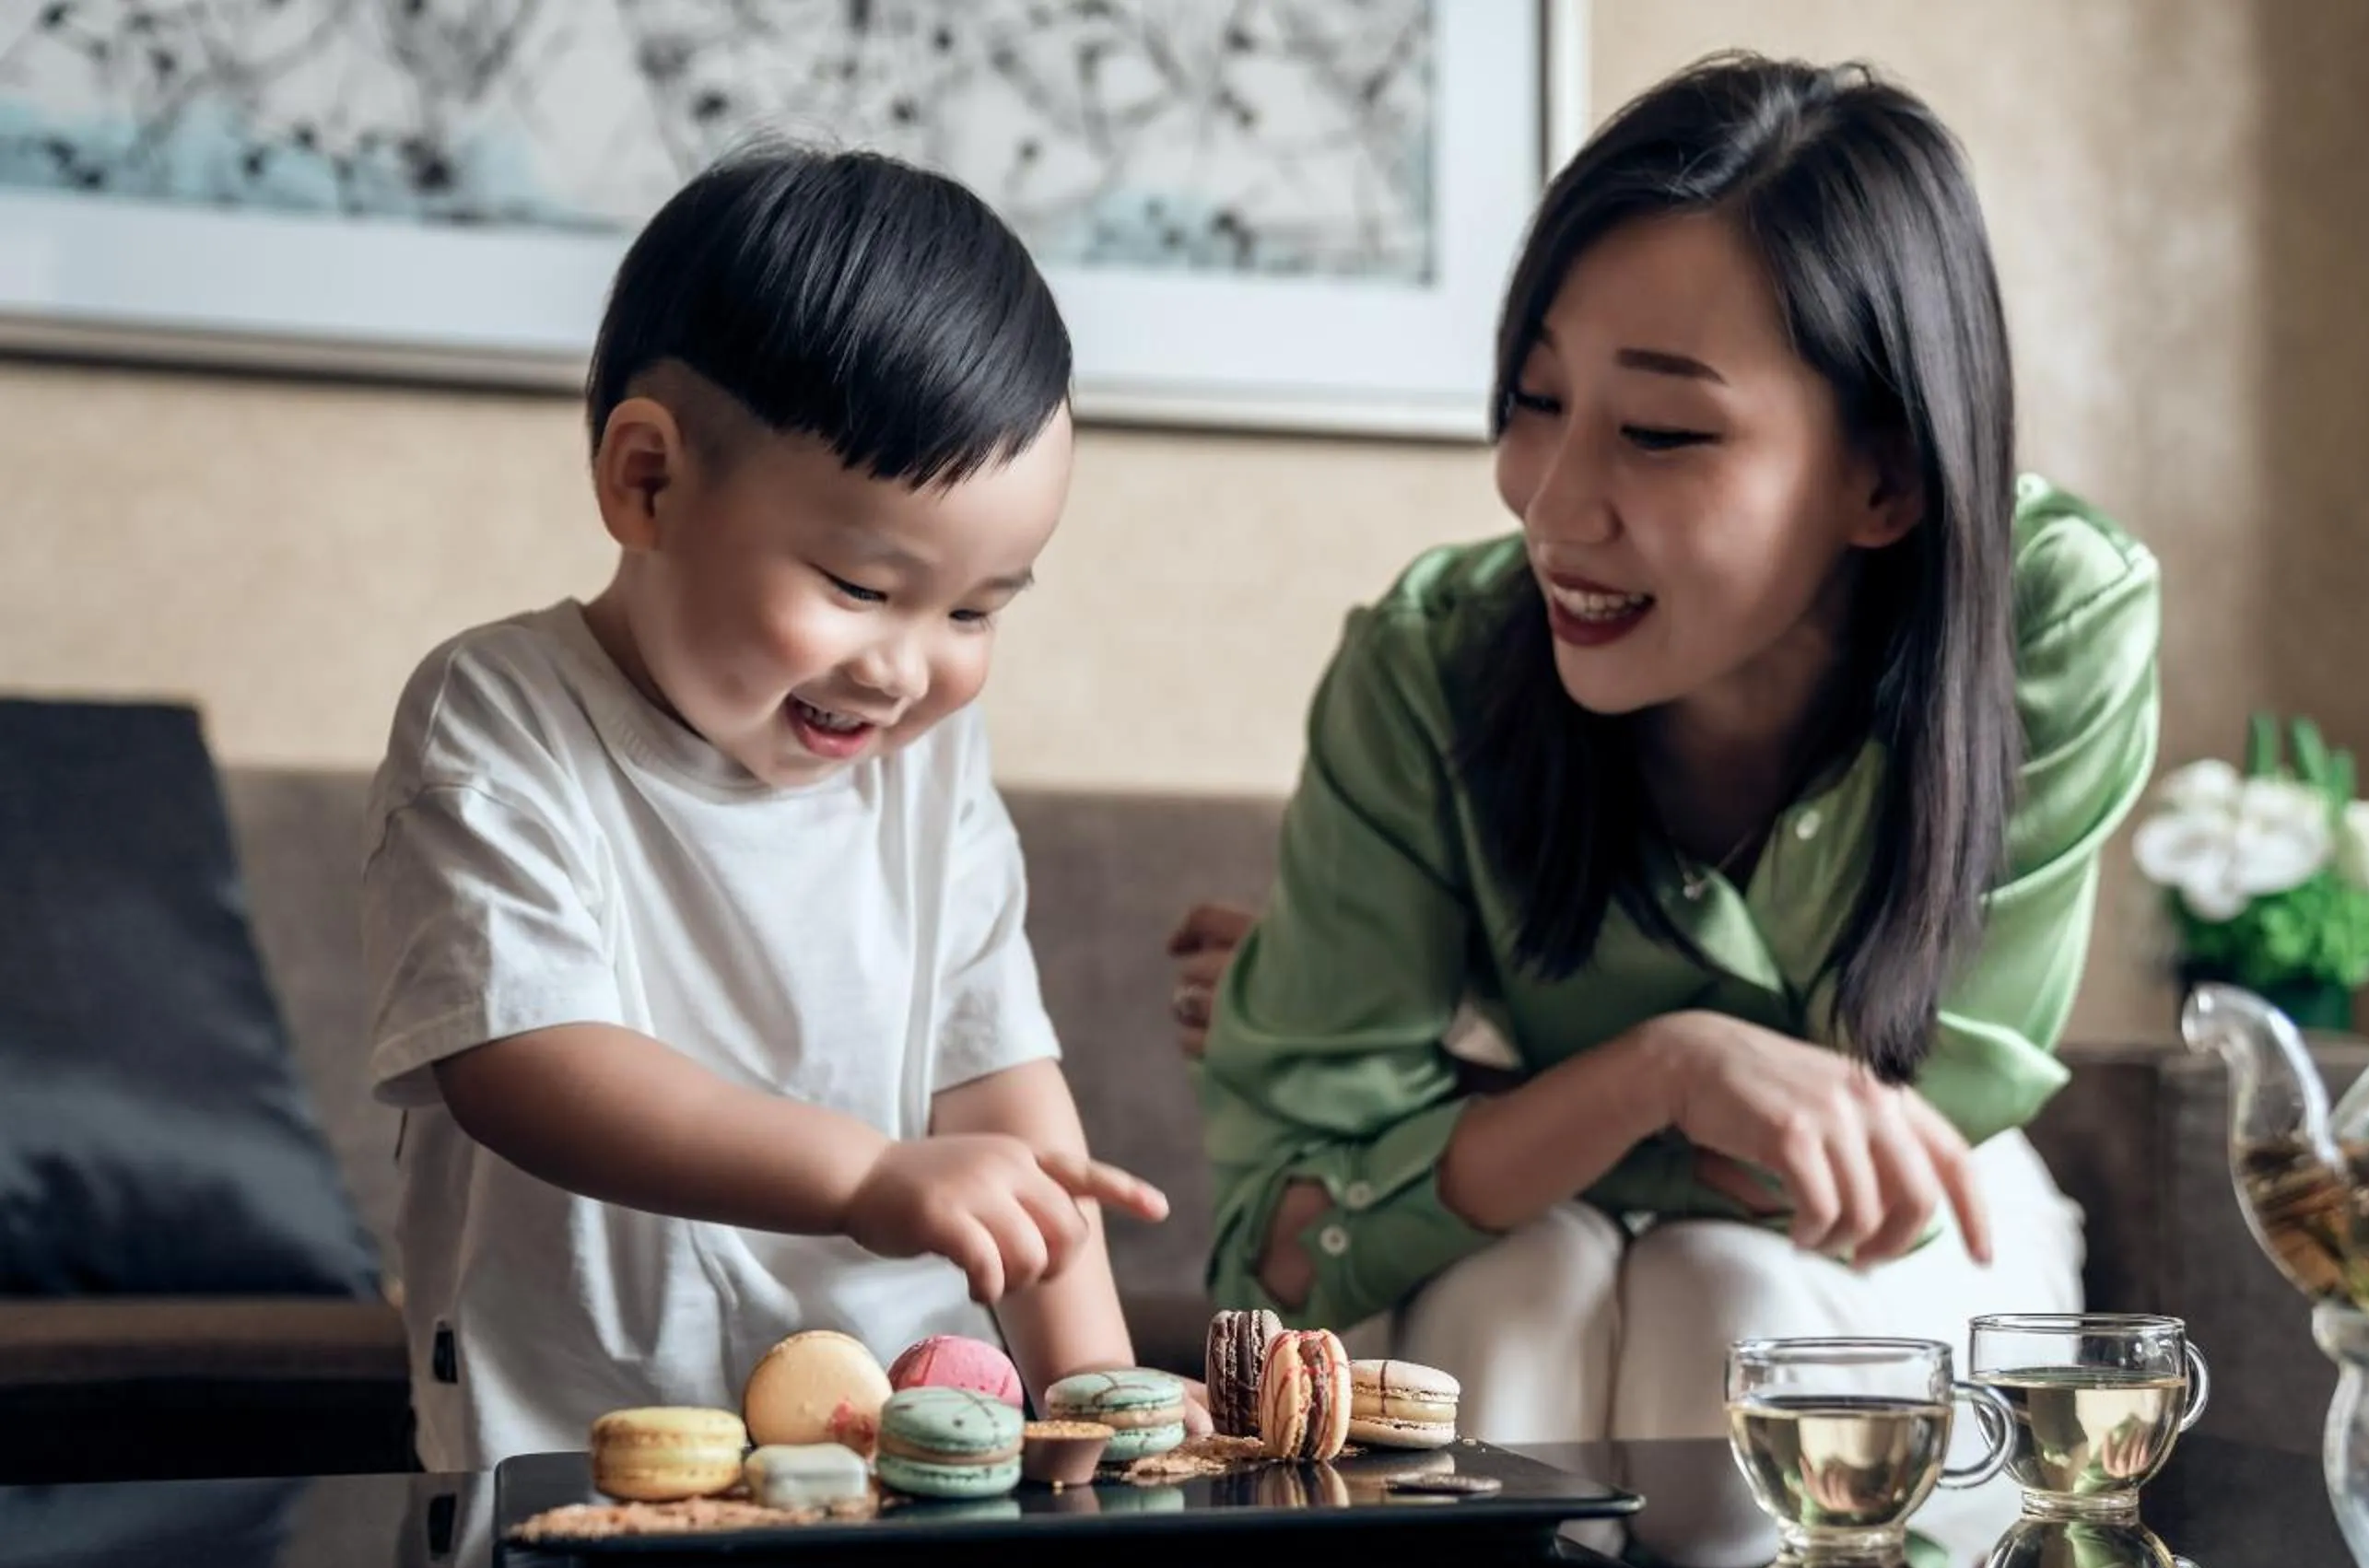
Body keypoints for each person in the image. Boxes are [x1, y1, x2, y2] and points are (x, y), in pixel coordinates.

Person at [1179, 57, 2160, 1444]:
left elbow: (1884, 1163)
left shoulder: (2054, 621)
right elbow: (1281, 1242)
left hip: (1874, 1256)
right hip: (1542, 1252)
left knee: (1722, 1301)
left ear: (1882, 477)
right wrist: (1666, 1068)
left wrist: (1481, 1107)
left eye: (1660, 430)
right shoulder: (1427, 661)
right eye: (1532, 399)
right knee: (1518, 1302)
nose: (1554, 505)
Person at [360, 146, 1190, 1472]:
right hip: (589, 1454)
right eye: (860, 584)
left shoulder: (931, 760)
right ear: (648, 481)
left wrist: (1095, 1387)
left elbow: (1000, 1086)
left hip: (906, 1460)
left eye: (974, 610)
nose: (906, 667)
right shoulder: (501, 716)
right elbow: (526, 1061)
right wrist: (865, 1177)